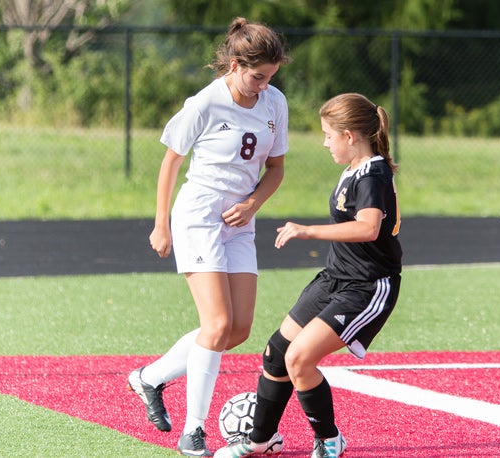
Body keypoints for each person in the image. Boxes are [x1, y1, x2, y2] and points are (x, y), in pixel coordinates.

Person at [127, 17, 290, 457]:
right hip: (198, 216)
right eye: (257, 77)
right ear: (236, 65)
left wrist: (253, 203)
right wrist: (161, 224)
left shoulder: (274, 102)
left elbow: (275, 169)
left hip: (240, 221)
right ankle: (192, 431)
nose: (263, 86)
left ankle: (148, 378)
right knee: (216, 325)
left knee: (236, 330)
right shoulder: (205, 103)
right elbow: (170, 163)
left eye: (271, 77)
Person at [214, 93, 402, 458]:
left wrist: (307, 231)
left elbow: (368, 229)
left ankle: (330, 441)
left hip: (367, 286)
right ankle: (260, 440)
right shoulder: (355, 169)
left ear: (350, 136)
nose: (325, 142)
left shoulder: (373, 174)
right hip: (335, 279)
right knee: (276, 353)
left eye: (329, 135)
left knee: (299, 359)